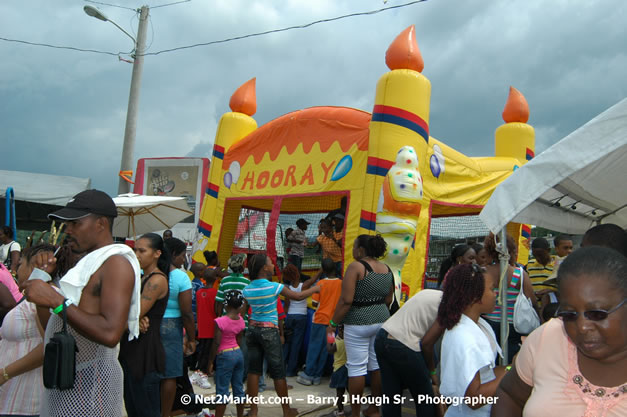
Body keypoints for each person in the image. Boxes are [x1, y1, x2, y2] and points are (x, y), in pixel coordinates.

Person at [19, 189, 141, 417]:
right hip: (66, 382)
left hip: (93, 394)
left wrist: (57, 300)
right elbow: (52, 331)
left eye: (75, 223)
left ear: (101, 224)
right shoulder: (85, 267)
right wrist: (42, 284)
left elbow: (110, 333)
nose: (69, 231)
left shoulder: (116, 264)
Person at [492, 246, 627, 416]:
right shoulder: (548, 337)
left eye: (596, 314)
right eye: (569, 315)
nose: (582, 326)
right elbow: (509, 395)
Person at [242, 253, 319, 417]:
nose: (273, 265)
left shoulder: (247, 289)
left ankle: (253, 411)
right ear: (264, 268)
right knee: (278, 371)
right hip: (269, 331)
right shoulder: (274, 286)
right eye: (270, 263)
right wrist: (316, 288)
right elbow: (297, 296)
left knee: (253, 371)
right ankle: (286, 410)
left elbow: (243, 313)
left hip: (253, 330)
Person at [328, 234, 394, 417]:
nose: (352, 250)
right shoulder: (386, 269)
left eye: (354, 247)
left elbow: (346, 300)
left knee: (356, 367)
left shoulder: (356, 267)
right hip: (381, 320)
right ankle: (374, 409)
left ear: (361, 250)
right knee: (376, 366)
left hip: (357, 322)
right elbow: (389, 299)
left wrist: (333, 323)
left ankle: (355, 413)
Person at [438, 263, 508, 416]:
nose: (496, 294)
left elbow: (487, 374)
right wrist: (512, 369)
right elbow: (474, 399)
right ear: (475, 296)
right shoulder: (464, 337)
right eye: (491, 289)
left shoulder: (481, 326)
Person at [0, 244, 55, 417]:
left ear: (34, 266)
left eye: (21, 264)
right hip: (12, 397)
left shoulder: (43, 297)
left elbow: (48, 345)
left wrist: (5, 374)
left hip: (26, 400)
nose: (16, 270)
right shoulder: (30, 298)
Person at [120, 233, 170, 417]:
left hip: (145, 351)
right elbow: (131, 314)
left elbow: (133, 314)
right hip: (132, 348)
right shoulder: (141, 277)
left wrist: (133, 318)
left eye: (142, 250)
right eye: (135, 250)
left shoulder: (156, 280)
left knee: (146, 410)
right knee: (133, 406)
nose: (137, 254)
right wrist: (133, 319)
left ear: (157, 253)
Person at [374, 288, 444, 417]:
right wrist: (432, 372)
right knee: (425, 398)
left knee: (391, 397)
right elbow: (427, 344)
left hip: (383, 336)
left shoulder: (430, 293)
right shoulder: (449, 306)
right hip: (403, 344)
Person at [482, 233, 537, 363]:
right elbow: (532, 302)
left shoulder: (482, 272)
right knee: (511, 361)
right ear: (511, 250)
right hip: (513, 325)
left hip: (487, 324)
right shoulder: (519, 274)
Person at [161, 237, 196, 417]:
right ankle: (165, 414)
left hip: (150, 326)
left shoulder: (150, 273)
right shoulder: (181, 277)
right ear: (173, 254)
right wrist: (191, 339)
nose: (184, 260)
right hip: (171, 328)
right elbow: (187, 313)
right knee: (170, 375)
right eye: (182, 255)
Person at [296, 259, 342, 385]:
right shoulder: (341, 283)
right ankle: (317, 375)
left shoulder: (320, 283)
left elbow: (315, 303)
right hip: (333, 323)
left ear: (324, 270)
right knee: (327, 348)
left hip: (320, 320)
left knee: (314, 347)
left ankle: (308, 374)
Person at [208, 290, 246, 417]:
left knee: (222, 390)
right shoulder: (241, 320)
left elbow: (216, 343)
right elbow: (239, 339)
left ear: (226, 305)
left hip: (225, 355)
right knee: (238, 387)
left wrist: (210, 361)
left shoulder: (220, 321)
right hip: (238, 353)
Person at [282, 264, 317, 377]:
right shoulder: (303, 286)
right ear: (297, 274)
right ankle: (291, 370)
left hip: (290, 317)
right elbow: (313, 280)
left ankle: (281, 369)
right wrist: (321, 270)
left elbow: (286, 306)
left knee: (287, 344)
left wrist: (284, 319)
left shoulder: (287, 289)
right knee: (296, 345)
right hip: (301, 317)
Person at [191, 268, 217, 389]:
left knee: (202, 350)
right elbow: (216, 311)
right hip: (211, 326)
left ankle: (198, 372)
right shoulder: (215, 293)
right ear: (215, 279)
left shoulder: (199, 292)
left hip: (201, 325)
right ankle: (203, 373)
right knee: (208, 351)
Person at [327, 325, 348, 417]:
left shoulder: (338, 342)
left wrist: (329, 335)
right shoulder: (349, 341)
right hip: (348, 368)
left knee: (340, 393)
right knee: (351, 391)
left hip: (339, 369)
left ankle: (340, 411)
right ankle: (356, 409)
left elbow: (330, 349)